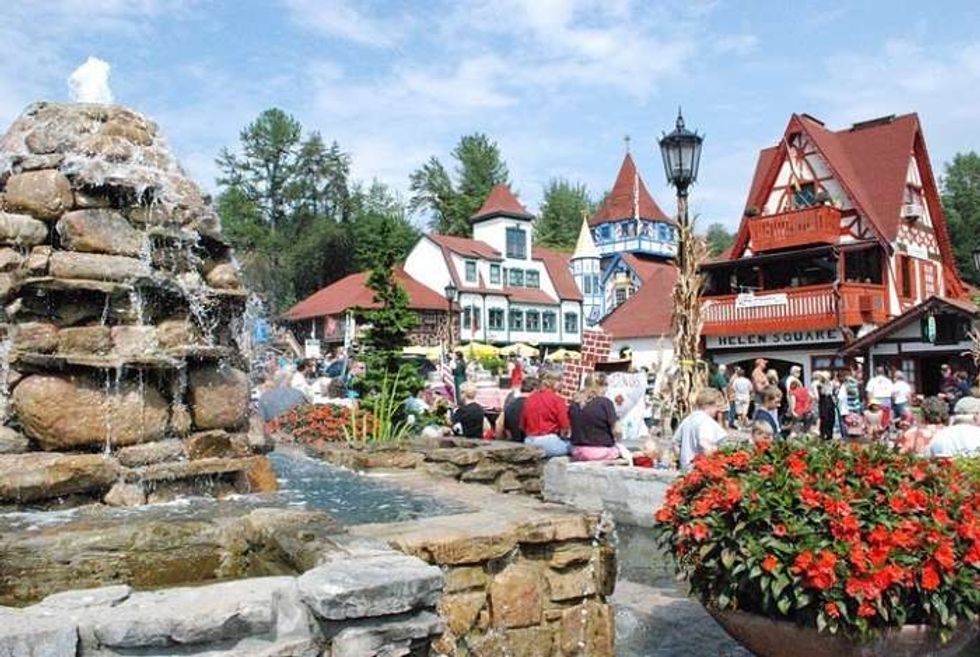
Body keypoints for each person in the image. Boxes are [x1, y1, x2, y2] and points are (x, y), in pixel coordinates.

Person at [568, 373, 621, 462]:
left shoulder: (574, 403)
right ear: (600, 386)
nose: (606, 389)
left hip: (577, 451)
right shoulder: (605, 403)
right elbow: (617, 431)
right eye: (605, 385)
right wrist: (618, 438)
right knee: (623, 451)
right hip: (600, 451)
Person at [676, 388, 729, 471]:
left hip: (686, 470)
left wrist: (683, 461)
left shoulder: (687, 420)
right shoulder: (706, 422)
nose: (718, 410)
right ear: (711, 404)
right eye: (717, 406)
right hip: (701, 471)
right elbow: (705, 445)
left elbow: (676, 444)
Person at [520, 372, 571, 456]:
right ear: (554, 383)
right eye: (560, 380)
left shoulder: (529, 399)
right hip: (549, 442)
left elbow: (523, 426)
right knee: (573, 447)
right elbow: (565, 426)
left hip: (529, 441)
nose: (562, 383)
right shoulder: (557, 400)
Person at [497, 377, 537, 442]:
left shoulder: (510, 406)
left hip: (515, 442)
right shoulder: (535, 406)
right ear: (535, 390)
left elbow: (500, 425)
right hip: (532, 442)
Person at [815, 372, 837, 441]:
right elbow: (822, 392)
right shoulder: (819, 384)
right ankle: (823, 435)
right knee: (824, 419)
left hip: (830, 400)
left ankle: (830, 435)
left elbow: (834, 390)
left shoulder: (831, 383)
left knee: (831, 418)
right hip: (823, 401)